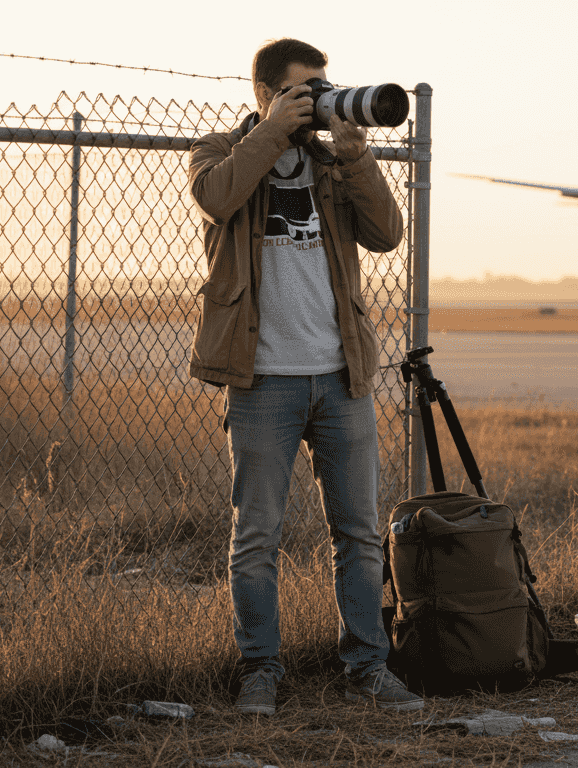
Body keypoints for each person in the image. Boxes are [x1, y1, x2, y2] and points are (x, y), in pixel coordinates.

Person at [188, 38, 421, 714]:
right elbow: (218, 198)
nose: (320, 100)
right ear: (266, 95)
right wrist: (269, 134)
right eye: (305, 91)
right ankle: (260, 668)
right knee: (256, 536)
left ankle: (369, 667)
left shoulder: (331, 161)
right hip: (261, 380)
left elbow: (386, 234)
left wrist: (355, 154)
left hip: (340, 375)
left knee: (356, 533)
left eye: (324, 87)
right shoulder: (218, 152)